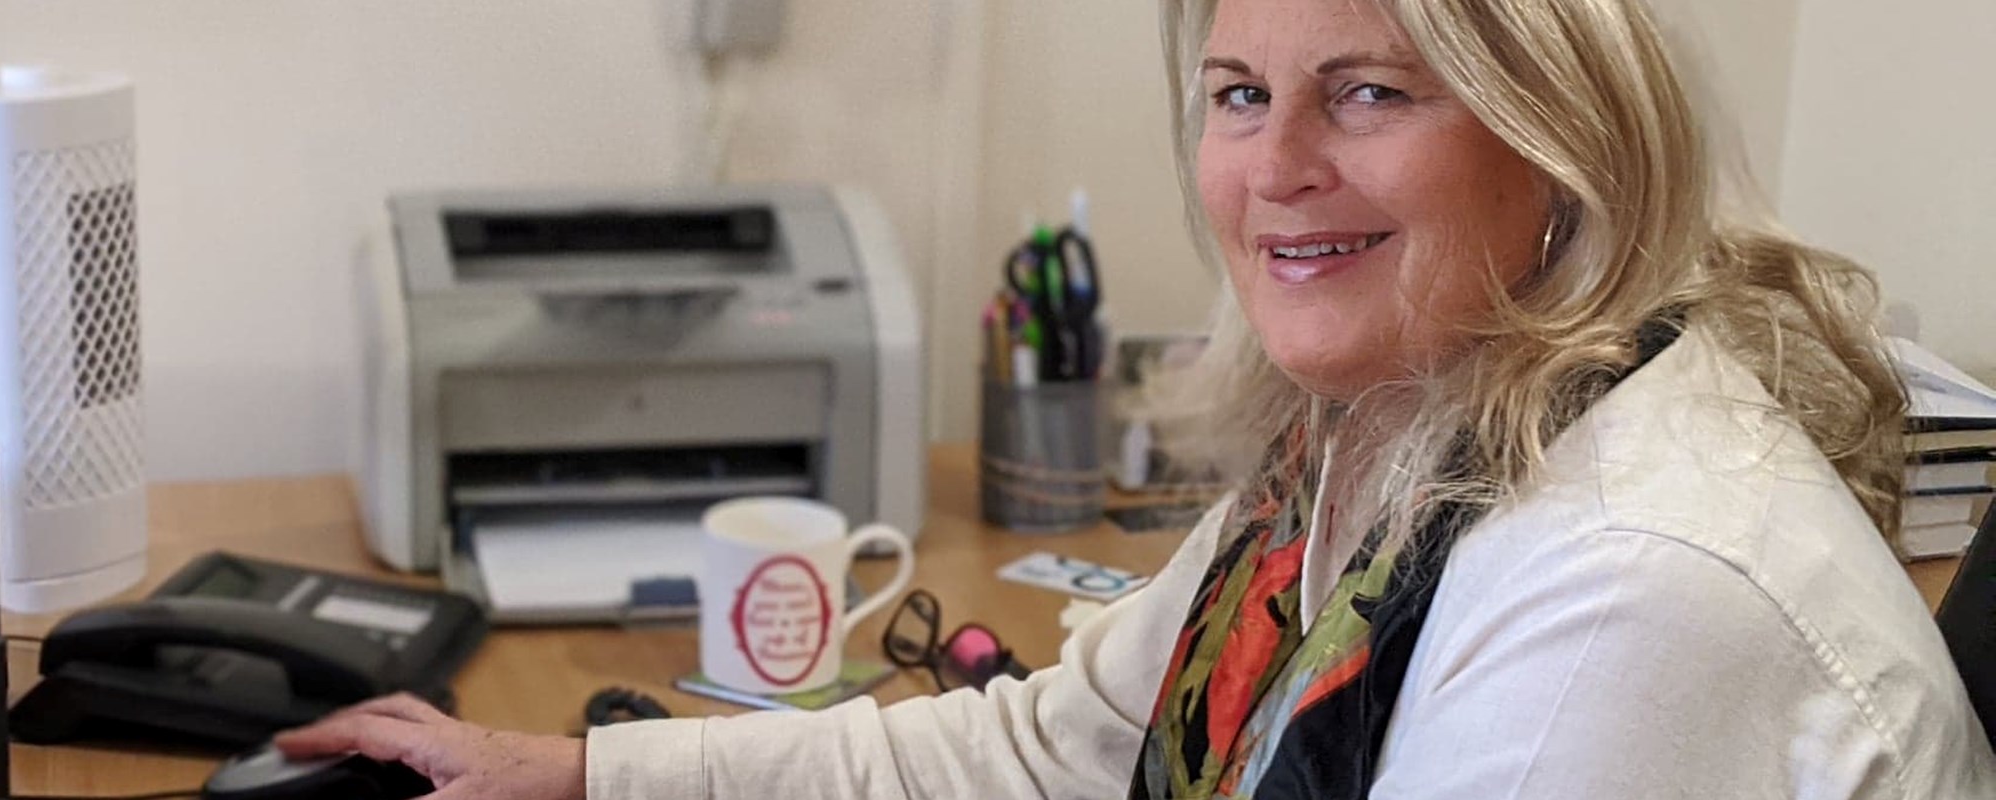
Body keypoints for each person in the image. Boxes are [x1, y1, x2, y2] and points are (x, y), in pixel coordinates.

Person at [277, 0, 1996, 796]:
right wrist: (568, 776)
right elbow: (1056, 743)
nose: (1276, 169)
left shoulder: (1628, 592)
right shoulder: (1392, 422)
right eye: (1240, 92)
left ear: (1562, 140)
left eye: (1370, 92)